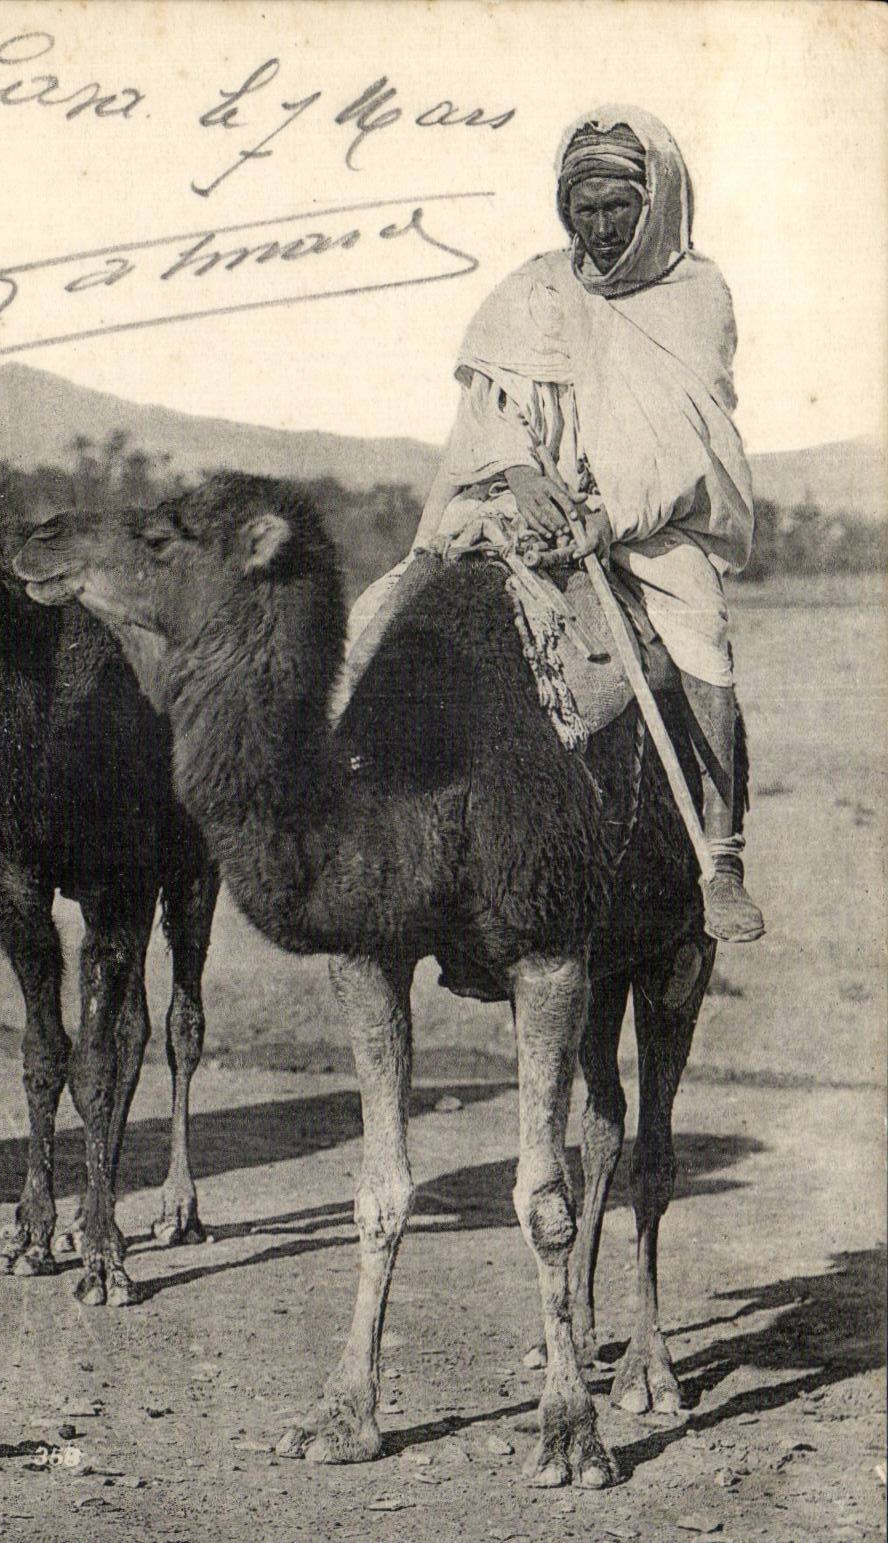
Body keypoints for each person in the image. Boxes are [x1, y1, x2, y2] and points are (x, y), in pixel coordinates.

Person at [350, 104, 764, 943]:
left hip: (645, 526)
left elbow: (691, 448)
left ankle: (720, 853)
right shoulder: (533, 289)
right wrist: (519, 475)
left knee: (702, 644)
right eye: (586, 208)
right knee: (379, 610)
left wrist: (605, 518)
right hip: (519, 497)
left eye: (620, 209)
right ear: (561, 206)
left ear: (658, 204)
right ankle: (350, 802)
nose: (602, 228)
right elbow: (491, 407)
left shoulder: (697, 296)